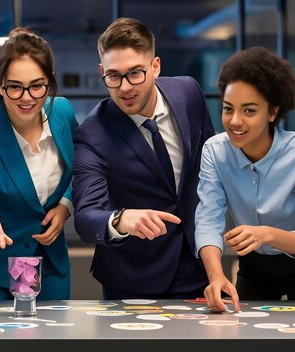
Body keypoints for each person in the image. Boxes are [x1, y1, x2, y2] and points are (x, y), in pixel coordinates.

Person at [72, 18, 215, 299]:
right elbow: (86, 216)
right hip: (132, 277)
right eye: (113, 76)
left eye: (135, 73)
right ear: (102, 71)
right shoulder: (92, 133)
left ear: (156, 67)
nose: (125, 87)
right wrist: (120, 220)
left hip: (197, 265)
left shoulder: (189, 93)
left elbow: (213, 166)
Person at [195, 47, 295, 312]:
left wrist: (265, 234)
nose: (235, 121)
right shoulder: (215, 152)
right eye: (228, 109)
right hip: (256, 271)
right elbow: (207, 219)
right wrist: (216, 276)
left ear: (272, 112)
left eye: (249, 111)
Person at [0, 28, 78, 300]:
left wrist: (65, 205)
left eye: (36, 85)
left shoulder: (63, 113)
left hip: (49, 259)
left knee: (53, 340)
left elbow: (83, 168)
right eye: (15, 87)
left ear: (50, 81)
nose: (26, 97)